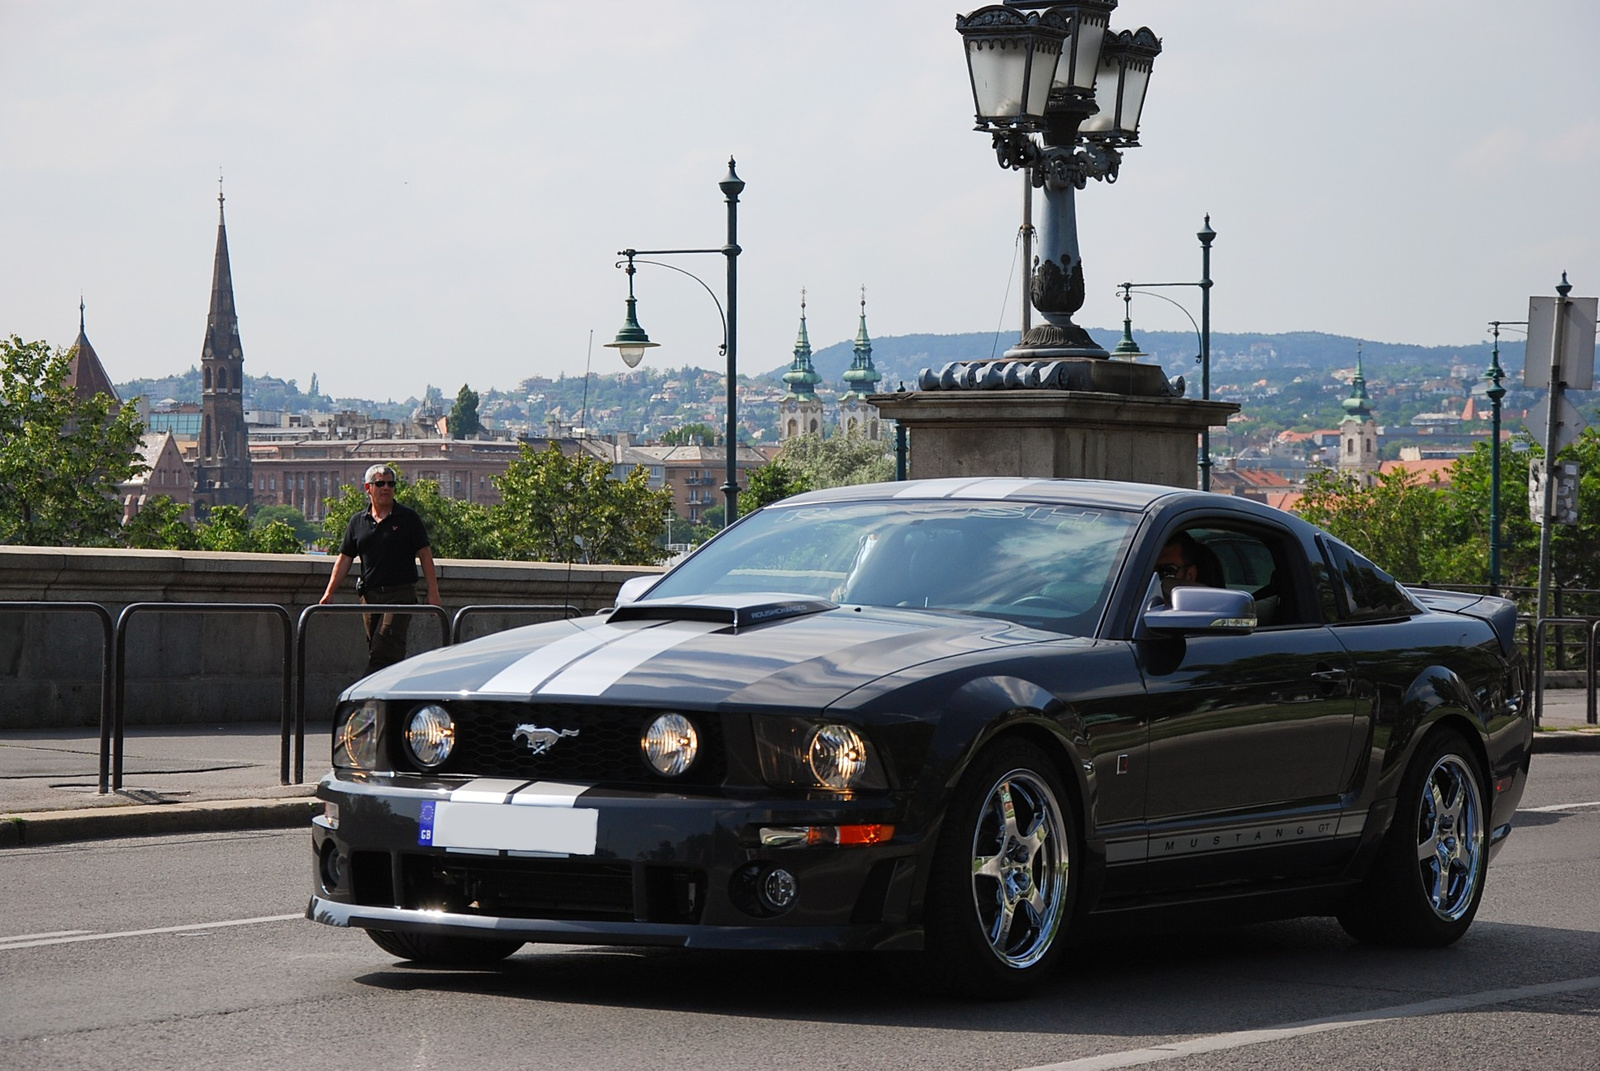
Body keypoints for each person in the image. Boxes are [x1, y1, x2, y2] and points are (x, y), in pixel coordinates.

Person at [320, 464, 441, 674]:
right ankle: (392, 702)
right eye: (380, 483)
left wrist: (434, 592)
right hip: (370, 595)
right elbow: (345, 558)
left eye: (391, 484)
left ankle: (362, 700)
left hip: (400, 595)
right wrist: (330, 592)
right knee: (381, 653)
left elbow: (425, 555)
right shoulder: (358, 521)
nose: (386, 488)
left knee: (384, 648)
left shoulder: (408, 518)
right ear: (368, 488)